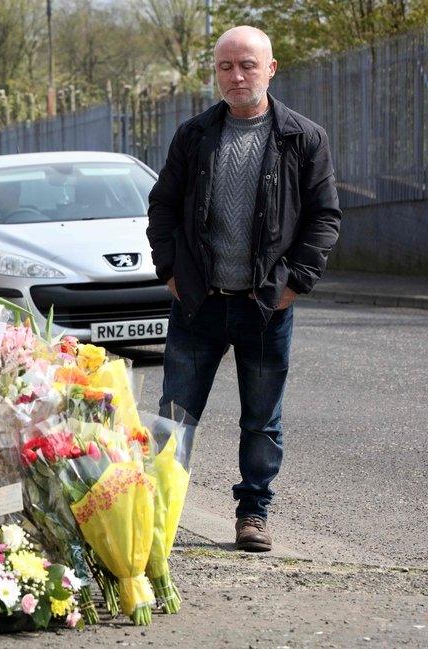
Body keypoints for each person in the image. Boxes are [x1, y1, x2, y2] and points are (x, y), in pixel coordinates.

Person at [146, 26, 341, 552]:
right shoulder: (194, 135)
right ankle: (157, 513)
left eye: (247, 65)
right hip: (197, 306)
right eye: (226, 67)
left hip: (265, 307)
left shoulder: (304, 138)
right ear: (216, 73)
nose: (236, 76)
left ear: (271, 69)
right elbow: (162, 205)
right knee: (174, 416)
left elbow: (324, 218)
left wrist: (294, 284)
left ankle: (253, 513)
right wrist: (170, 271)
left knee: (261, 421)